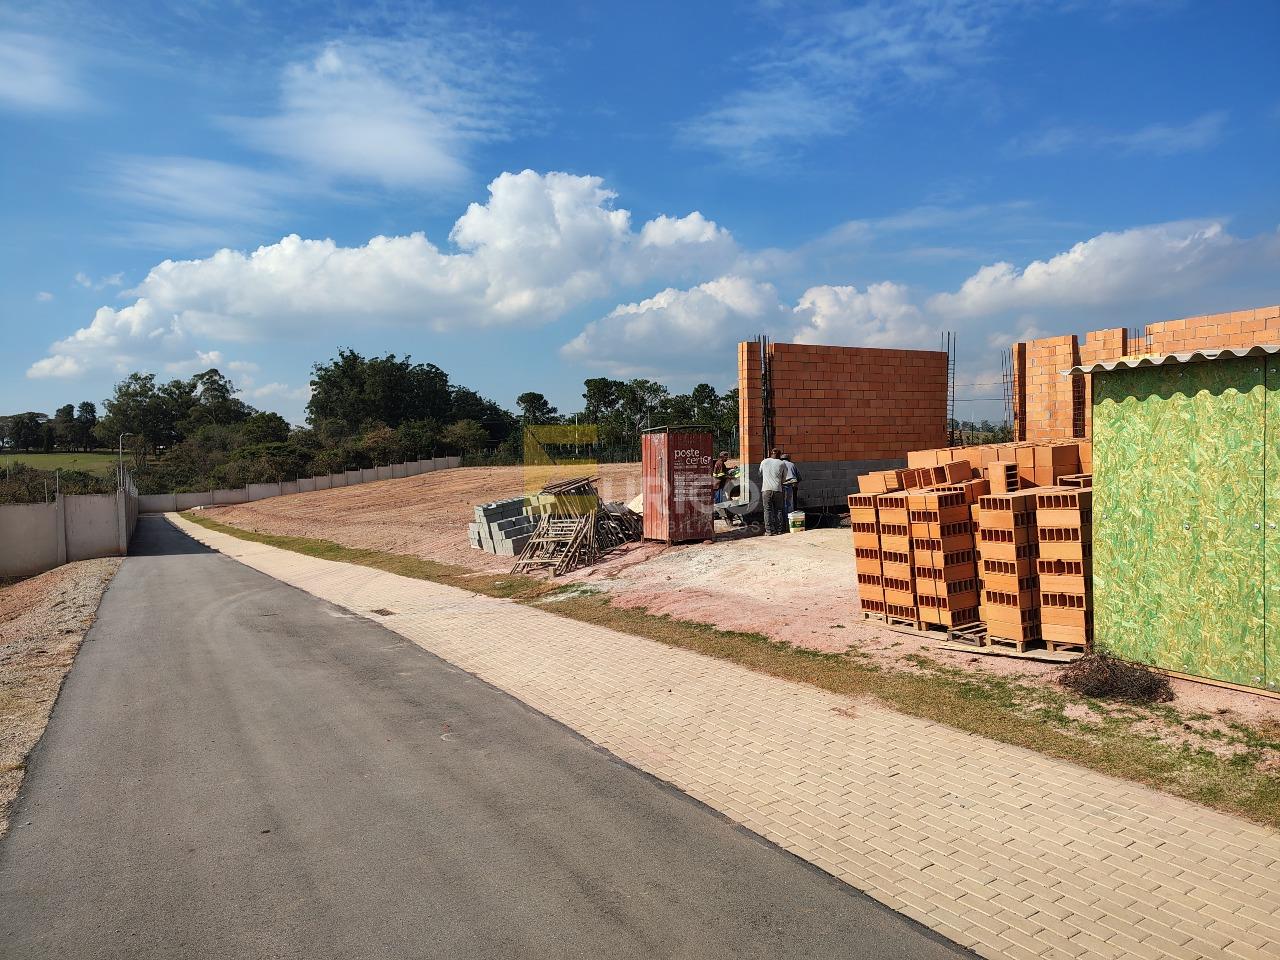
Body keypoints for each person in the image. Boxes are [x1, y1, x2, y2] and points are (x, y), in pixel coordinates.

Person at [758, 447, 788, 535]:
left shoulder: (764, 462)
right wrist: (779, 482)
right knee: (778, 510)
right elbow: (784, 478)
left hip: (766, 490)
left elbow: (759, 474)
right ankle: (779, 530)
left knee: (767, 510)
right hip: (778, 489)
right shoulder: (782, 463)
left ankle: (769, 531)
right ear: (779, 455)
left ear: (771, 453)